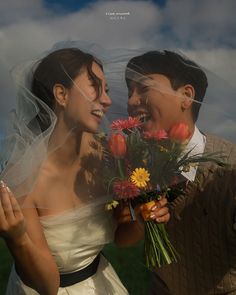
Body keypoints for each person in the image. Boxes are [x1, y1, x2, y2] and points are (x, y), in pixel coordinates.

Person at [0, 47, 170, 295]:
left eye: (107, 90)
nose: (108, 100)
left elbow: (123, 238)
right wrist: (17, 240)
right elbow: (48, 286)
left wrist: (144, 218)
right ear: (61, 94)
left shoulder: (108, 154)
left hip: (101, 281)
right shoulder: (23, 176)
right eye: (95, 87)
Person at [125, 50, 236, 295]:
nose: (131, 101)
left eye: (143, 88)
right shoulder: (138, 165)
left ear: (186, 96)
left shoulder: (230, 168)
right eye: (129, 92)